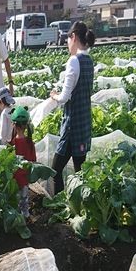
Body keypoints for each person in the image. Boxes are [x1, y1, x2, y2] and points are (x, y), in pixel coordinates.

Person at [49, 21, 96, 194]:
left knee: (55, 171)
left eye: (67, 40)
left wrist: (54, 95)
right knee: (80, 173)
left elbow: (64, 98)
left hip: (71, 127)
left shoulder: (74, 61)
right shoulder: (89, 60)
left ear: (73, 37)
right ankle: (82, 207)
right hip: (84, 125)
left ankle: (61, 205)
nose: (67, 44)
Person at [10, 106, 36, 218]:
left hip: (14, 179)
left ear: (13, 125)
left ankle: (15, 220)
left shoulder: (11, 144)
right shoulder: (30, 143)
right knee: (24, 201)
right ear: (26, 126)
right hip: (25, 179)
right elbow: (33, 160)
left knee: (14, 202)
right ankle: (25, 218)